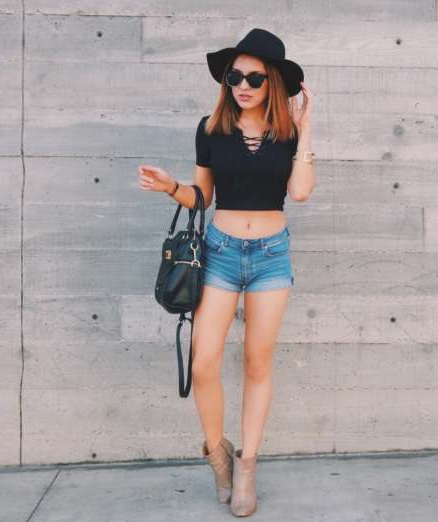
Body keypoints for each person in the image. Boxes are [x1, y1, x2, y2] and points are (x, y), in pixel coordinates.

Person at [138, 28, 315, 516]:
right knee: (204, 362)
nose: (243, 86)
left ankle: (248, 465)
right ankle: (218, 455)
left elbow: (300, 192)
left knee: (258, 363)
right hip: (219, 252)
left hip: (271, 256)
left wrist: (307, 128)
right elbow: (202, 198)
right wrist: (171, 186)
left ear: (272, 82)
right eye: (234, 77)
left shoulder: (288, 133)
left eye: (254, 78)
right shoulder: (210, 129)